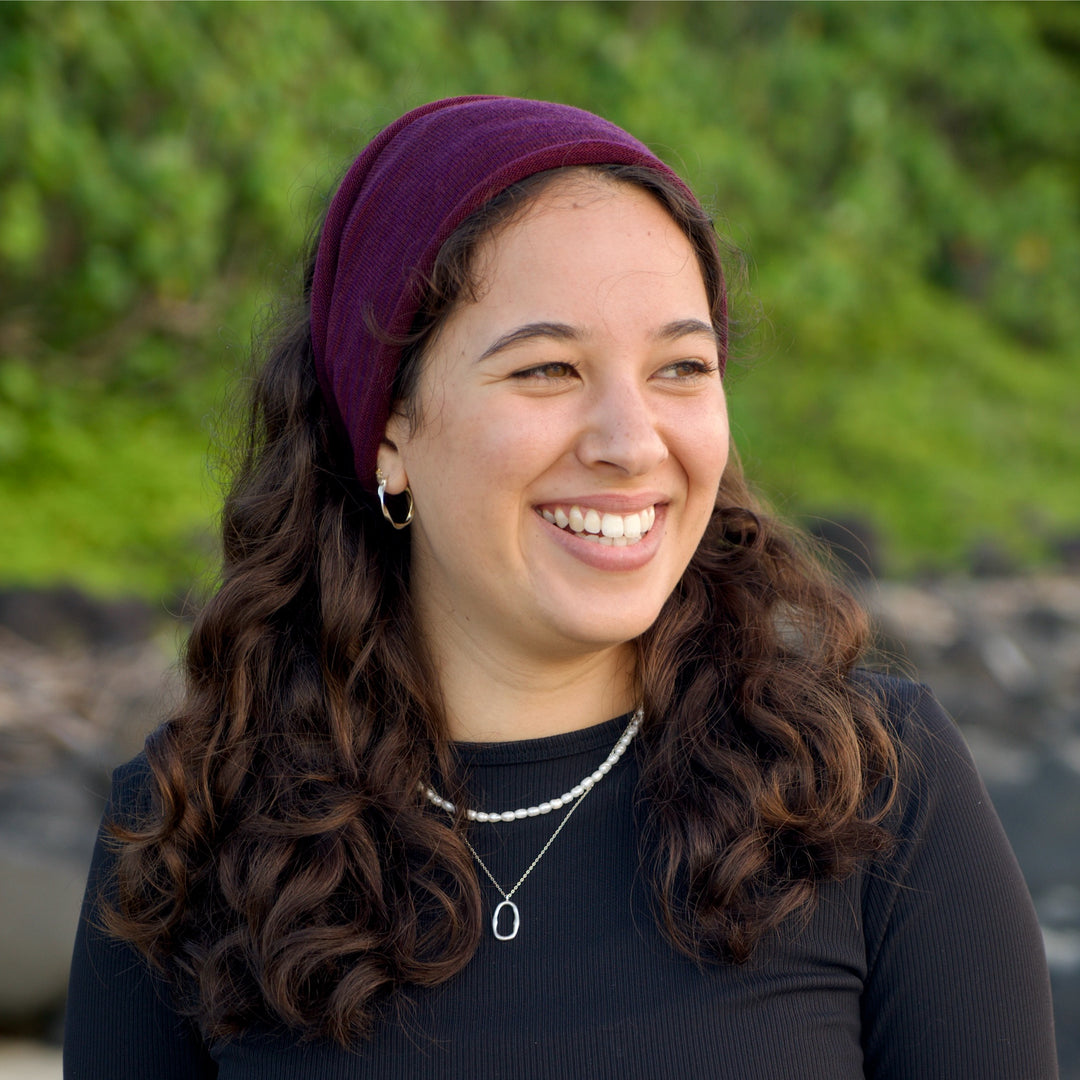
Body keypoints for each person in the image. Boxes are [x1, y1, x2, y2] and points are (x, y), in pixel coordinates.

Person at [63, 96, 1058, 1079]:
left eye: (680, 367)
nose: (631, 445)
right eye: (546, 370)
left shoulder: (872, 790)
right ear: (389, 429)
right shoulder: (190, 835)